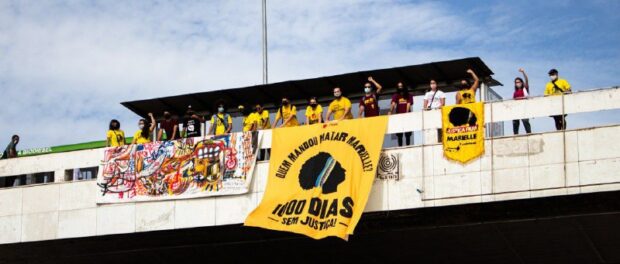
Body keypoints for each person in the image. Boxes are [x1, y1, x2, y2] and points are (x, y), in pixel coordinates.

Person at [389, 82, 413, 146]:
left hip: (407, 117)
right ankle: (400, 147)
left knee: (407, 134)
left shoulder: (409, 95)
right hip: (398, 117)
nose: (400, 88)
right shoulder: (395, 95)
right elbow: (393, 103)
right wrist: (390, 111)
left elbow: (409, 103)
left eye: (401, 86)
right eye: (399, 86)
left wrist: (406, 113)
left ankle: (408, 146)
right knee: (399, 134)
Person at [513, 68, 532, 134]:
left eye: (518, 82)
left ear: (521, 82)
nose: (517, 83)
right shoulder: (515, 92)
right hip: (517, 109)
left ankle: (529, 133)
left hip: (524, 108)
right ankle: (515, 135)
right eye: (516, 82)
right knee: (515, 122)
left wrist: (523, 72)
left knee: (525, 121)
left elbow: (526, 80)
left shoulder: (525, 89)